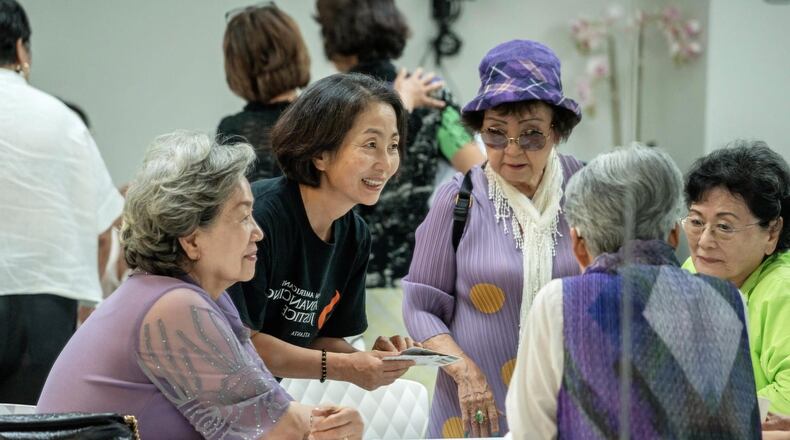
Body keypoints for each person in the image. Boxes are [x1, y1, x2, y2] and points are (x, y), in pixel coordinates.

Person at [37, 131, 364, 440]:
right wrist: (325, 422)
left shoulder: (188, 296)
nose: (258, 233)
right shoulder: (175, 307)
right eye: (243, 217)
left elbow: (268, 405)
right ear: (192, 240)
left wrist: (322, 421)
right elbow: (276, 428)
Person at [506, 144, 760, 439]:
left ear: (578, 244)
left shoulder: (559, 302)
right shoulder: (730, 300)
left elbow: (529, 432)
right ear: (673, 236)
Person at [402, 39, 584, 438]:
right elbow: (420, 307)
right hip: (474, 411)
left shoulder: (588, 193)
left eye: (531, 134)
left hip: (573, 407)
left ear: (557, 131)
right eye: (496, 134)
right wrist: (466, 376)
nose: (512, 150)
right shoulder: (459, 197)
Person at [228, 73, 416, 391]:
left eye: (393, 146)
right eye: (371, 145)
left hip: (260, 397)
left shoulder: (355, 235)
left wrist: (371, 362)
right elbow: (242, 343)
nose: (385, 163)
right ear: (320, 154)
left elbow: (321, 338)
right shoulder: (259, 218)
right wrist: (346, 365)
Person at [0, 0, 124, 404]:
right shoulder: (62, 120)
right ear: (21, 49)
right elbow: (105, 223)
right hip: (46, 308)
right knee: (35, 425)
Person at [315, 0, 486, 287]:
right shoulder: (431, 95)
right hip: (415, 272)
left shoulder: (330, 104)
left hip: (339, 274)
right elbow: (481, 173)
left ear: (333, 37)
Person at [218, 2, 445, 184]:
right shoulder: (323, 113)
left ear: (235, 68)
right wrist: (402, 103)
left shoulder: (230, 130)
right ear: (298, 54)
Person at [681, 140, 790, 415]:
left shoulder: (782, 290)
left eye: (724, 226)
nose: (704, 242)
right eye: (696, 222)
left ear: (772, 232)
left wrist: (706, 415)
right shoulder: (691, 270)